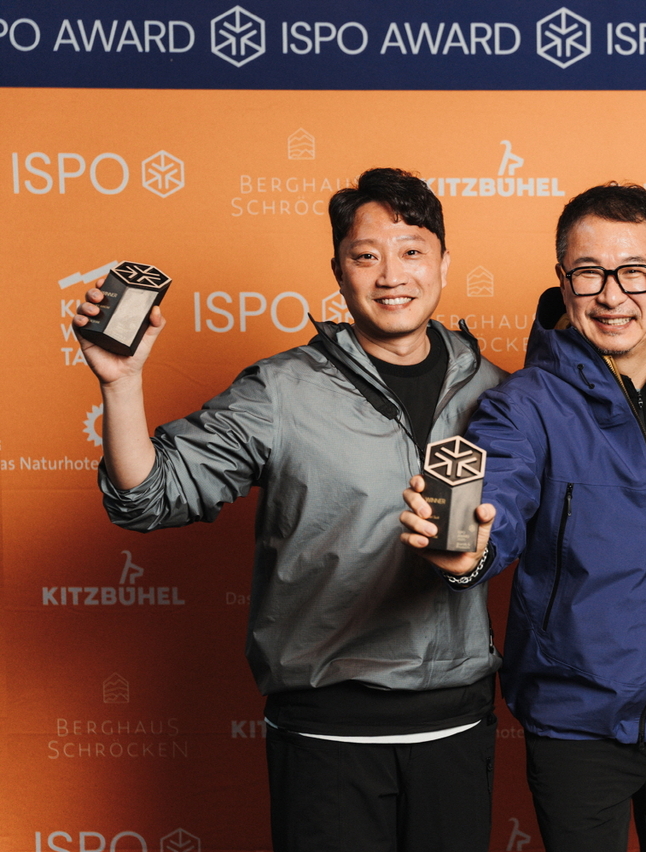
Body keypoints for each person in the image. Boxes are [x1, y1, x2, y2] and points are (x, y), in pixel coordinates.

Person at [74, 168, 506, 852]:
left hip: (456, 721)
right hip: (326, 729)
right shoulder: (281, 391)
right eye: (366, 255)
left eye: (412, 251)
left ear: (444, 263)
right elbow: (148, 498)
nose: (392, 275)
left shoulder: (497, 392)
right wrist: (121, 384)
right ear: (338, 270)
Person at [401, 183, 646, 852]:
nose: (612, 296)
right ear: (563, 281)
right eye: (589, 273)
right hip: (575, 722)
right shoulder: (525, 403)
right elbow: (498, 496)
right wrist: (469, 549)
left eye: (634, 272)